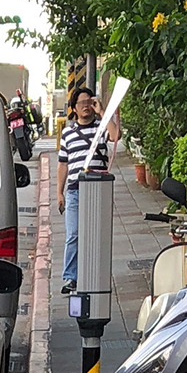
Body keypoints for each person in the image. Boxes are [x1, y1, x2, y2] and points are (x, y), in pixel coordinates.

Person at [55, 86, 120, 294]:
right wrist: (59, 192)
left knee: (98, 234)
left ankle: (97, 274)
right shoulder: (67, 133)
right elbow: (63, 164)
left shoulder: (101, 127)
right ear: (74, 108)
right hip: (75, 189)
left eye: (89, 102)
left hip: (99, 188)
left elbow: (115, 135)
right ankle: (70, 277)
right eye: (82, 103)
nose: (86, 107)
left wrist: (103, 112)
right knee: (73, 233)